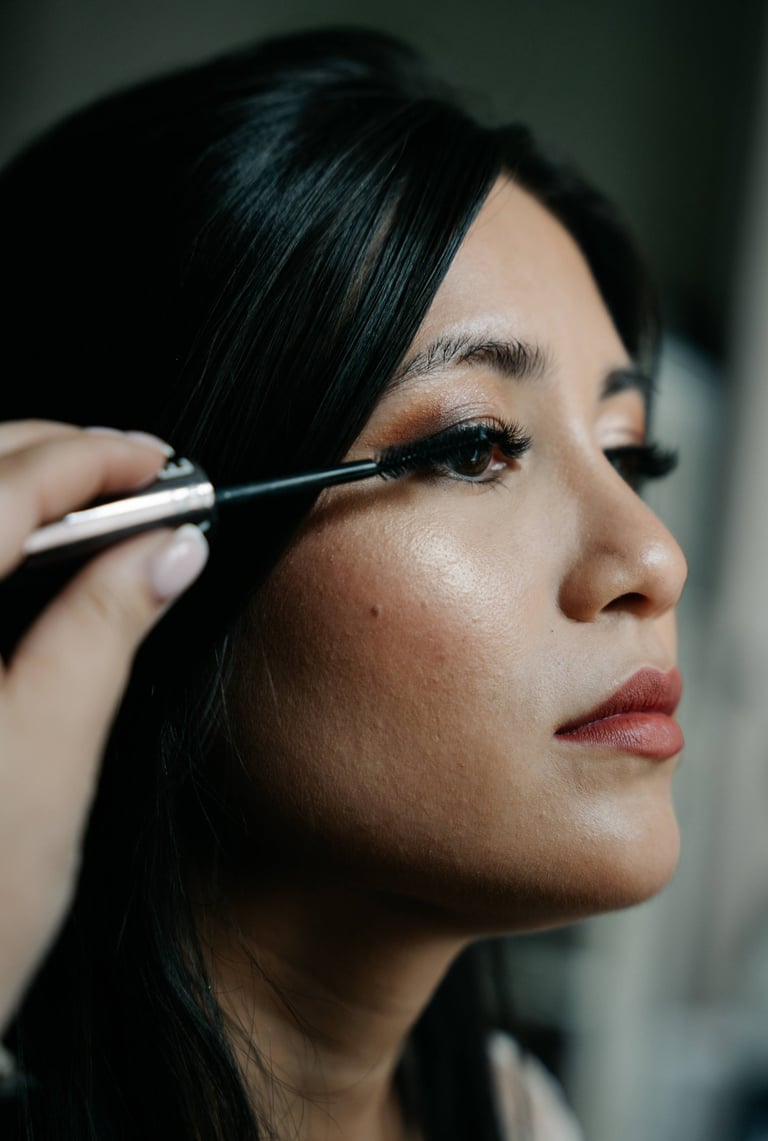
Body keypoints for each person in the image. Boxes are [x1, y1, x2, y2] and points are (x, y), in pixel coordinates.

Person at [0, 26, 687, 1141]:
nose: (654, 558)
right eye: (473, 445)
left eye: (628, 452)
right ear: (110, 542)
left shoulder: (525, 1118)